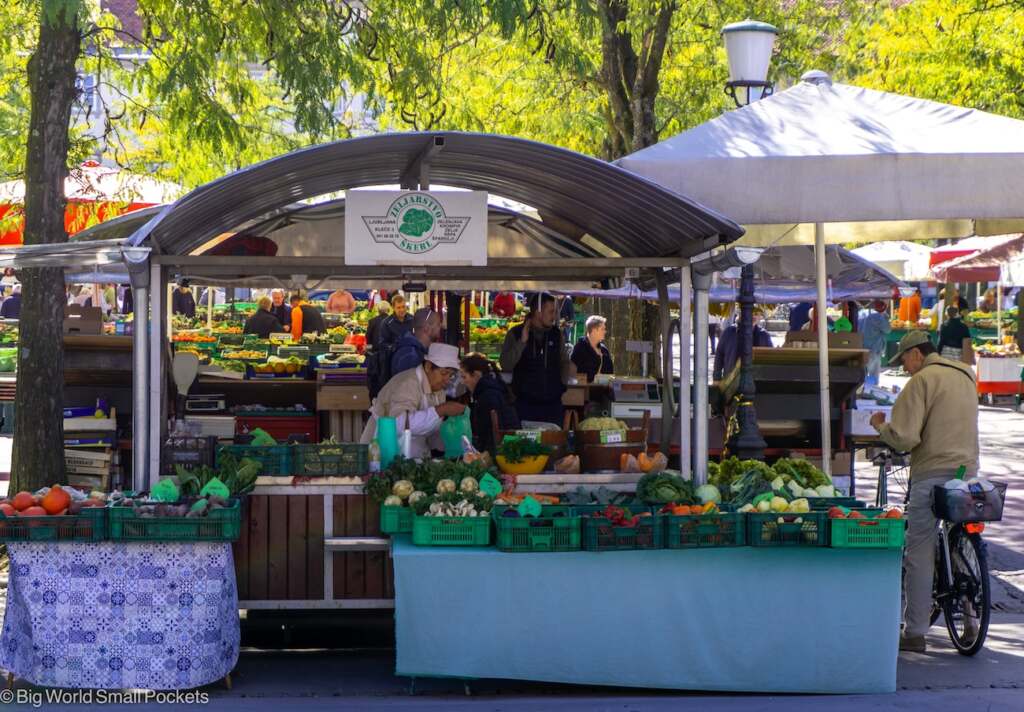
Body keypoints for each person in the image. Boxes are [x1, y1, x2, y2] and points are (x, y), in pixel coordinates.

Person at [870, 331, 979, 654]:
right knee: (961, 543)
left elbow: (905, 438)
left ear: (917, 353)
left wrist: (880, 425)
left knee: (919, 550)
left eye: (904, 358)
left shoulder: (921, 381)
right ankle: (971, 618)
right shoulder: (966, 375)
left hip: (932, 472)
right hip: (967, 471)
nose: (904, 366)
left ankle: (915, 632)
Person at [360, 343, 466, 459]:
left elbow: (431, 429)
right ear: (428, 366)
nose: (446, 380)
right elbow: (399, 423)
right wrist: (441, 410)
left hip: (413, 452)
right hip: (379, 451)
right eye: (444, 373)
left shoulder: (439, 390)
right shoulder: (407, 383)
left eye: (450, 375)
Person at [500, 293, 572, 425]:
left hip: (553, 405)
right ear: (538, 312)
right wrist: (522, 342)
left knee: (553, 438)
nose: (554, 316)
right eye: (551, 312)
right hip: (525, 405)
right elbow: (505, 364)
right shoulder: (515, 333)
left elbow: (564, 361)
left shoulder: (556, 334)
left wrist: (562, 385)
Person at [460, 352, 520, 455]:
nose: (462, 382)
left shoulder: (487, 396)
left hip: (504, 453)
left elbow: (491, 435)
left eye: (464, 377)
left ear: (476, 374)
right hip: (508, 449)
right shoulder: (492, 390)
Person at [713, 309, 773, 381]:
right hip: (731, 379)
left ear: (760, 316)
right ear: (741, 314)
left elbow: (770, 359)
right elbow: (719, 355)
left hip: (756, 380)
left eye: (756, 314)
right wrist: (716, 378)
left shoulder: (764, 335)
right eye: (750, 313)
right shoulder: (729, 332)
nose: (753, 316)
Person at [392, 308, 442, 377]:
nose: (441, 326)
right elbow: (409, 383)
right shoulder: (410, 356)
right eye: (438, 324)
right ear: (427, 328)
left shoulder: (418, 350)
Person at [571, 315, 614, 383]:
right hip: (584, 389)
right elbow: (574, 372)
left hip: (602, 389)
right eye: (602, 329)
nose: (605, 331)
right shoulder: (580, 348)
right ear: (594, 330)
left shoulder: (604, 350)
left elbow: (610, 374)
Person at [860, 300, 892, 386]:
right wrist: (885, 317)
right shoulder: (878, 317)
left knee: (863, 375)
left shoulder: (862, 313)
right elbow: (888, 330)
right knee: (873, 377)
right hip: (874, 349)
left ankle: (863, 390)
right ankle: (870, 391)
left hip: (861, 348)